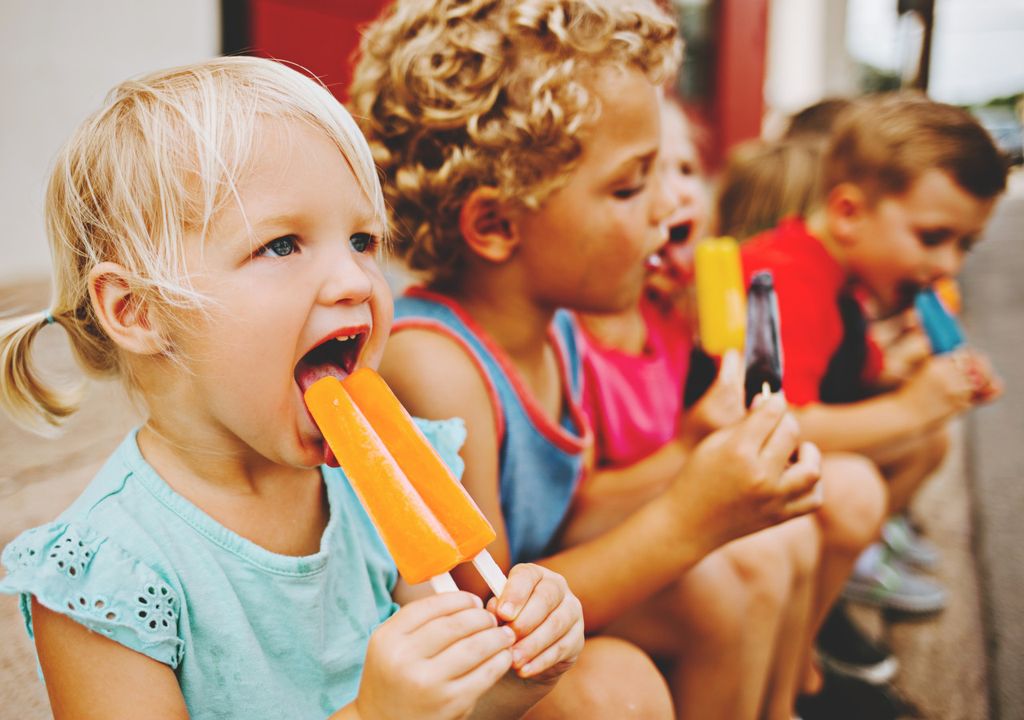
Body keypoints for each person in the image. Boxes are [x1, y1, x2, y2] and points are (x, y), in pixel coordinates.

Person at [0, 57, 585, 720]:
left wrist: (522, 671)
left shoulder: (383, 482)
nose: (358, 281)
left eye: (363, 239)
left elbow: (453, 705)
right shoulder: (109, 574)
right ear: (138, 311)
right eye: (281, 245)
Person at [350, 1, 824, 718]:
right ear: (496, 223)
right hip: (470, 661)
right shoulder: (437, 366)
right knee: (613, 690)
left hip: (541, 610)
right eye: (630, 186)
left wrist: (697, 455)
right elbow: (489, 616)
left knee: (737, 577)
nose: (668, 209)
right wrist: (689, 518)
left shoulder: (556, 326)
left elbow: (570, 512)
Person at [740, 92, 1007, 620]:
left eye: (964, 245)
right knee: (867, 479)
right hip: (741, 474)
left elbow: (848, 381)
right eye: (933, 237)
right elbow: (779, 423)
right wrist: (911, 406)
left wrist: (906, 377)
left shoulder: (852, 278)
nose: (947, 265)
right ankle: (811, 623)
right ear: (848, 212)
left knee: (927, 441)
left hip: (789, 458)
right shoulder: (788, 279)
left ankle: (848, 566)